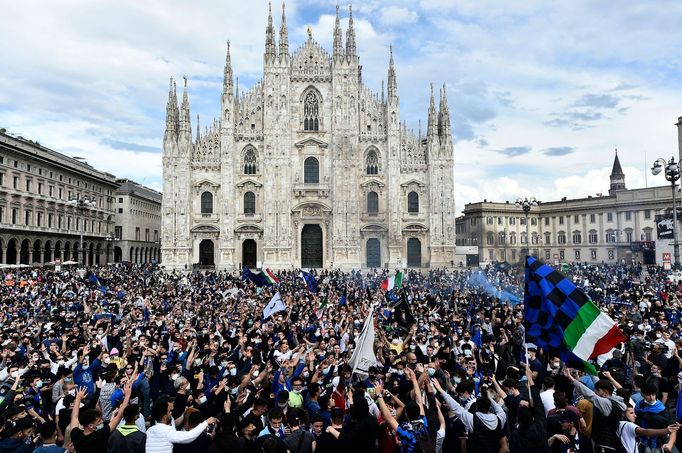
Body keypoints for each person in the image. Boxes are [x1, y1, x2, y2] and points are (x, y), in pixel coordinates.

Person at [563, 368, 626, 453]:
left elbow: (590, 395)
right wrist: (588, 368)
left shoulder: (606, 403)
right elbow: (599, 383)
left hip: (604, 446)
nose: (595, 392)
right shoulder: (615, 398)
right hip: (610, 444)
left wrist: (572, 379)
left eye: (597, 390)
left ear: (605, 392)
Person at [70, 381, 131, 453]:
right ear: (90, 425)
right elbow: (119, 416)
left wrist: (78, 398)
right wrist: (127, 396)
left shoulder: (76, 435)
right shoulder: (99, 436)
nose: (102, 421)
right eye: (98, 421)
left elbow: (74, 416)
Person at [145, 399, 217, 452]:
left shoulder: (149, 431)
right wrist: (206, 422)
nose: (171, 413)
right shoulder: (168, 432)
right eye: (169, 411)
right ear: (164, 416)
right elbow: (189, 436)